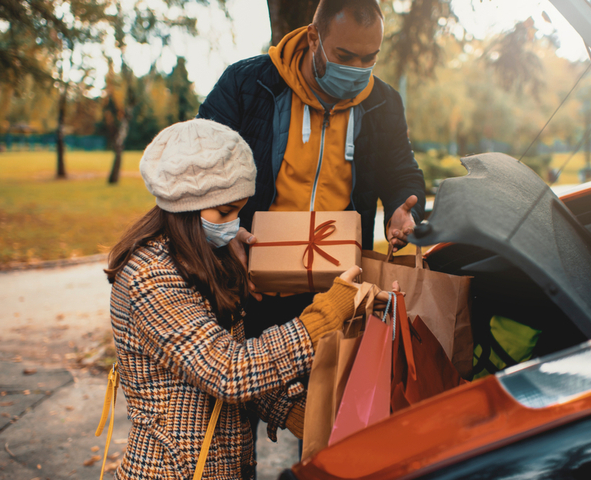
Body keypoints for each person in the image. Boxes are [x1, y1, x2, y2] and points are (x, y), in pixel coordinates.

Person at [105, 119, 386, 479]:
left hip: (223, 464)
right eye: (224, 212)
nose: (234, 223)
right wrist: (327, 314)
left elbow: (223, 362)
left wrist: (295, 412)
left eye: (238, 209)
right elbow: (228, 371)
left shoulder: (204, 253)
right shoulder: (150, 277)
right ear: (186, 206)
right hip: (172, 471)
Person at [197, 0, 426, 334]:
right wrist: (225, 232)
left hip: (337, 295)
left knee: (328, 385)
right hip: (251, 285)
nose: (357, 69)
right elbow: (199, 168)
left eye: (369, 58)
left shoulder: (384, 102)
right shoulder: (246, 84)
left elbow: (401, 171)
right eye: (345, 56)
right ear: (313, 38)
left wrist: (401, 208)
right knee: (251, 381)